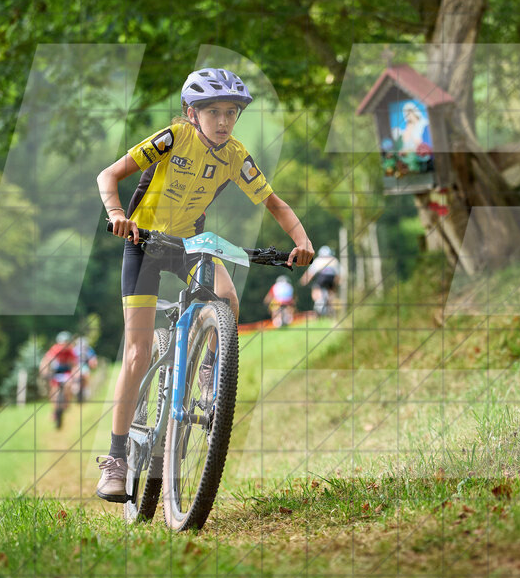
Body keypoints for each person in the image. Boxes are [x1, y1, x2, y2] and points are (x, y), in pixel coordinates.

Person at [94, 67, 315, 502]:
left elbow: (274, 202)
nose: (222, 121)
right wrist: (118, 215)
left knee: (228, 297)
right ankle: (117, 459)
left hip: (188, 245)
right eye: (212, 111)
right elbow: (108, 175)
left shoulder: (234, 154)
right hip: (143, 242)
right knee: (137, 351)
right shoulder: (172, 138)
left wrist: (302, 241)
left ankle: (214, 371)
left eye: (231, 112)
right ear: (191, 113)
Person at [38, 331, 79, 428]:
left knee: (68, 385)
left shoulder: (70, 351)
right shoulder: (54, 349)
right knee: (54, 391)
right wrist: (44, 372)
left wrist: (75, 374)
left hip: (66, 372)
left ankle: (67, 403)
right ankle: (55, 411)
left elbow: (75, 365)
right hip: (56, 372)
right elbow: (45, 361)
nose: (64, 346)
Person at [301, 246, 341, 317]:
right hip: (331, 279)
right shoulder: (334, 260)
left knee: (316, 290)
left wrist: (303, 281)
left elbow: (310, 273)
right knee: (331, 293)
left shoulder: (318, 260)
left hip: (322, 278)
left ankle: (318, 303)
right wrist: (337, 284)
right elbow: (339, 275)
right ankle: (331, 308)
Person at [73, 335, 99, 402]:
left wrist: (93, 363)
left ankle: (86, 389)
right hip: (77, 366)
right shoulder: (75, 350)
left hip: (85, 366)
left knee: (86, 375)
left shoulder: (89, 349)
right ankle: (75, 388)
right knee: (75, 375)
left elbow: (93, 358)